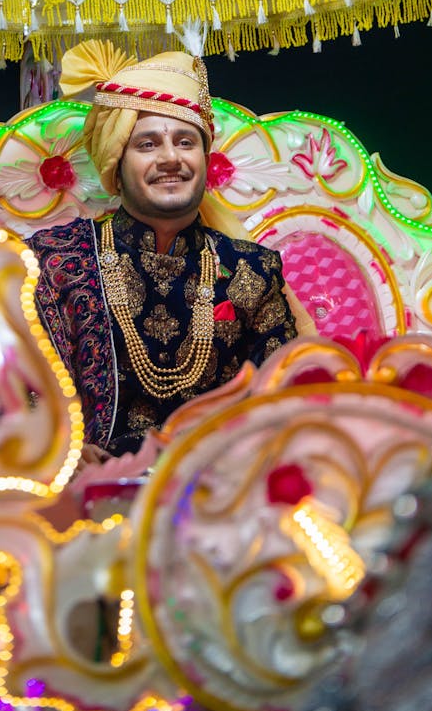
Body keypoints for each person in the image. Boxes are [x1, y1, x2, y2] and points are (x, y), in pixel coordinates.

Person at [28, 30, 312, 465]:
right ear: (115, 166)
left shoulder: (249, 270)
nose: (170, 158)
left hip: (215, 496)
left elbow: (288, 397)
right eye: (147, 144)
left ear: (203, 159)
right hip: (88, 500)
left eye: (185, 142)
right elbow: (25, 394)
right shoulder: (56, 260)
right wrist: (59, 455)